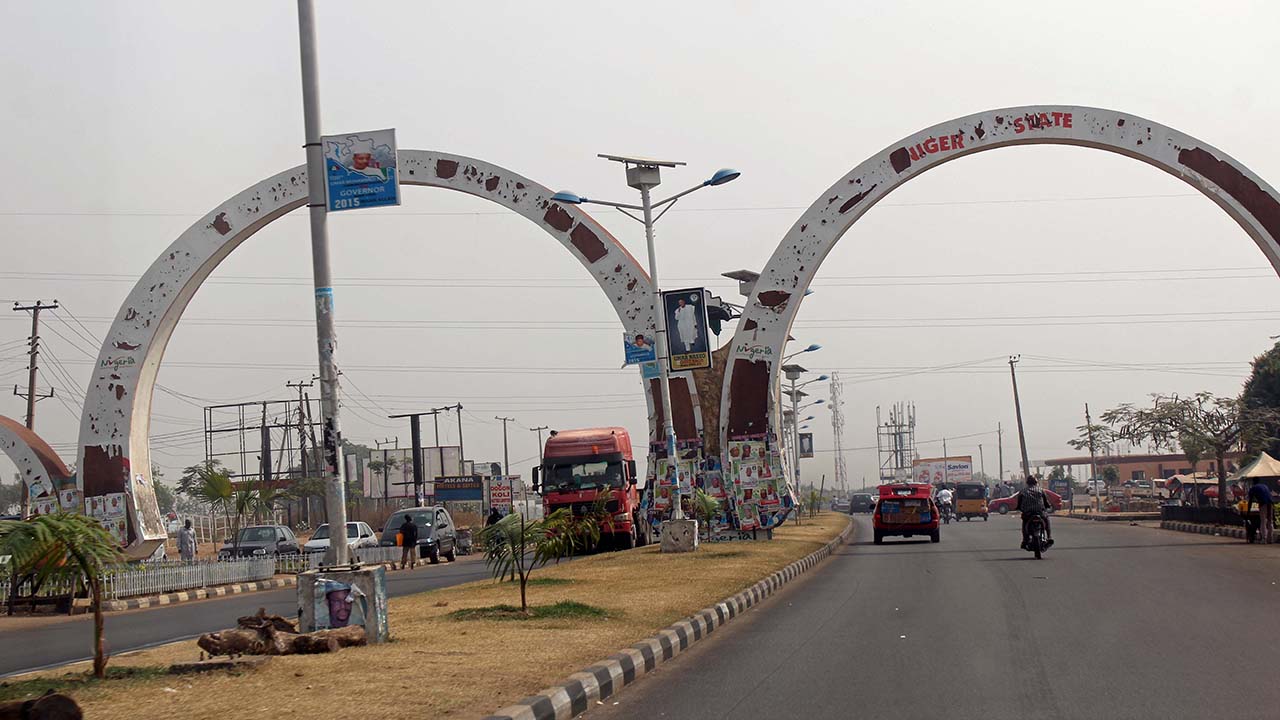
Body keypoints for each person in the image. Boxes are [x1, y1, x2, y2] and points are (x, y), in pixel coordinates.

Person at [1016, 477, 1054, 548]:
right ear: (1036, 483)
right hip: (1040, 513)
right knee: (1046, 520)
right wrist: (1048, 506)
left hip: (1028, 514)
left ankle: (1025, 540)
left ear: (1027, 483)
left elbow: (1019, 503)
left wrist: (1019, 508)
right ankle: (1049, 537)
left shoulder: (1023, 491)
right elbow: (1046, 501)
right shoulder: (1040, 490)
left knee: (1024, 523)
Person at [1247, 478, 1274, 544]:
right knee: (1270, 521)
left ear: (1253, 482)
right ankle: (1270, 539)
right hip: (1270, 503)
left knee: (1263, 521)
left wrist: (1248, 511)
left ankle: (1264, 539)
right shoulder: (1265, 486)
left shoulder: (1253, 488)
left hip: (1263, 503)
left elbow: (1250, 500)